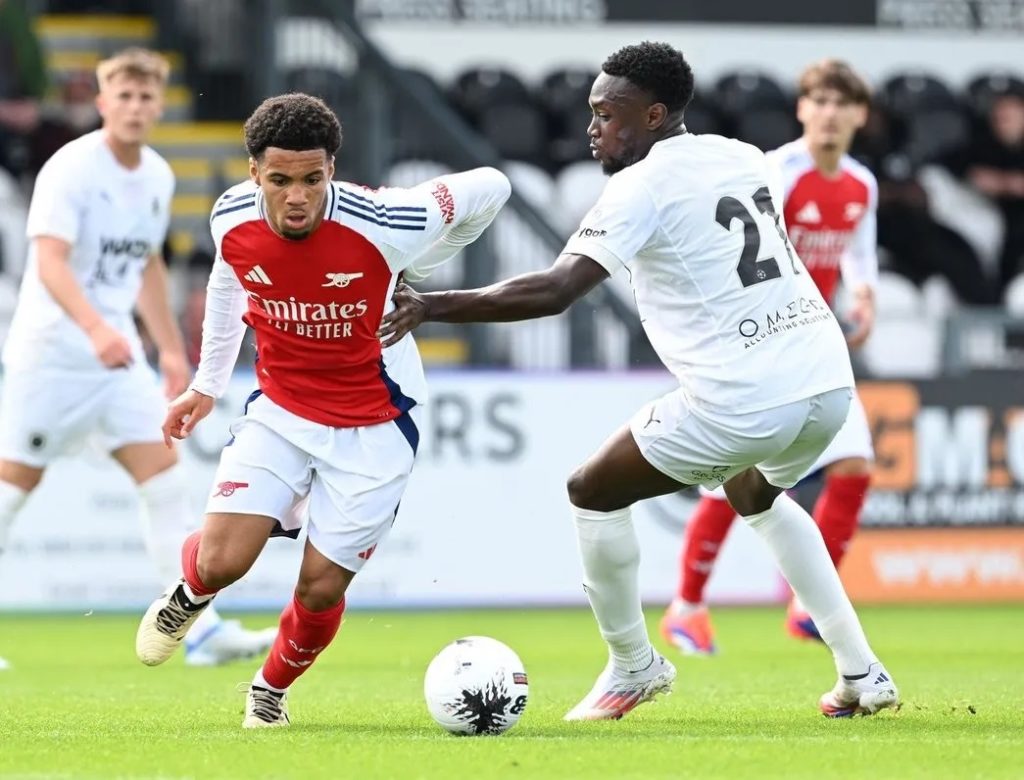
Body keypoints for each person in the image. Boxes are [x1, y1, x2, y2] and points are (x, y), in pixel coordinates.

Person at [379, 42, 900, 721]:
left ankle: (634, 665)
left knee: (590, 490)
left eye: (608, 114)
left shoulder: (640, 187)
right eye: (591, 112)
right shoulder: (741, 154)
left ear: (654, 115)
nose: (594, 127)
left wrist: (433, 304)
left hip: (747, 397)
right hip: (827, 383)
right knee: (755, 493)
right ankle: (862, 672)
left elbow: (558, 288)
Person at [133, 93, 512, 729]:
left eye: (313, 179)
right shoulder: (229, 216)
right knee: (223, 561)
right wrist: (206, 384)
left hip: (375, 425)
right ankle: (190, 596)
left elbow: (492, 184)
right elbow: (230, 279)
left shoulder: (389, 218)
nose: (298, 197)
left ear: (331, 169)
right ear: (254, 173)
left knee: (319, 588)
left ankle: (269, 690)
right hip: (281, 410)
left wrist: (423, 266)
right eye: (280, 181)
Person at [0, 48, 274, 671]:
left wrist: (174, 352)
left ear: (158, 105)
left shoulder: (156, 173)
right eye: (123, 96)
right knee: (11, 489)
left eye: (147, 97)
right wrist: (96, 328)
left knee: (165, 478)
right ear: (102, 104)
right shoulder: (70, 169)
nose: (135, 106)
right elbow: (48, 261)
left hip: (118, 362)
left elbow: (147, 263)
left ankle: (199, 631)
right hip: (51, 358)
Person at [659, 59, 879, 655]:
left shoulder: (861, 183)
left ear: (860, 115)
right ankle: (687, 605)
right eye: (819, 101)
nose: (829, 114)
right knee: (738, 477)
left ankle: (808, 600)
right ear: (802, 109)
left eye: (842, 103)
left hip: (817, 345)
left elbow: (857, 251)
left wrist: (863, 292)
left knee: (855, 466)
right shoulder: (776, 173)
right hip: (761, 343)